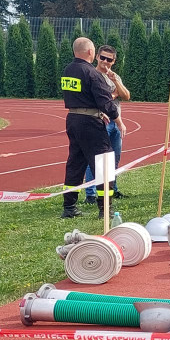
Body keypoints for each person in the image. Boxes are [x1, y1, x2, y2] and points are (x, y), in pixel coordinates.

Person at [60, 37, 120, 219]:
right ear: (90, 52)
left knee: (75, 162)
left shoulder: (67, 70)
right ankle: (105, 209)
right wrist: (118, 120)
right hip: (90, 122)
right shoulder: (91, 73)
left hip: (72, 118)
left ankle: (69, 206)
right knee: (104, 162)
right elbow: (105, 101)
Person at [82, 44, 130, 204]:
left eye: (109, 59)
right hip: (100, 123)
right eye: (102, 57)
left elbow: (127, 95)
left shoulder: (114, 76)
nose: (105, 61)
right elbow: (101, 99)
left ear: (114, 61)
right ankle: (90, 193)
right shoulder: (92, 75)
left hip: (116, 123)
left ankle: (112, 189)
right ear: (97, 57)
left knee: (114, 159)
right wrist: (114, 93)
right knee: (96, 159)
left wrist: (116, 83)